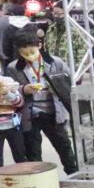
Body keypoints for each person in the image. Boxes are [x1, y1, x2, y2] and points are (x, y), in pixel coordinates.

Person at [6, 27, 78, 174]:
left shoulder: (55, 62)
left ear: (39, 45)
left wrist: (56, 86)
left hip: (54, 112)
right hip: (30, 114)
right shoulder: (14, 67)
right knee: (33, 151)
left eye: (32, 52)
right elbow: (12, 90)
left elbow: (69, 83)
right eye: (24, 54)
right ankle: (39, 181)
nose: (29, 56)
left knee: (64, 147)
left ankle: (73, 175)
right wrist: (24, 89)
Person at [0, 75, 27, 166]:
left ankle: (23, 175)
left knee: (21, 157)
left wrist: (7, 93)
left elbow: (20, 103)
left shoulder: (8, 81)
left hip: (13, 124)